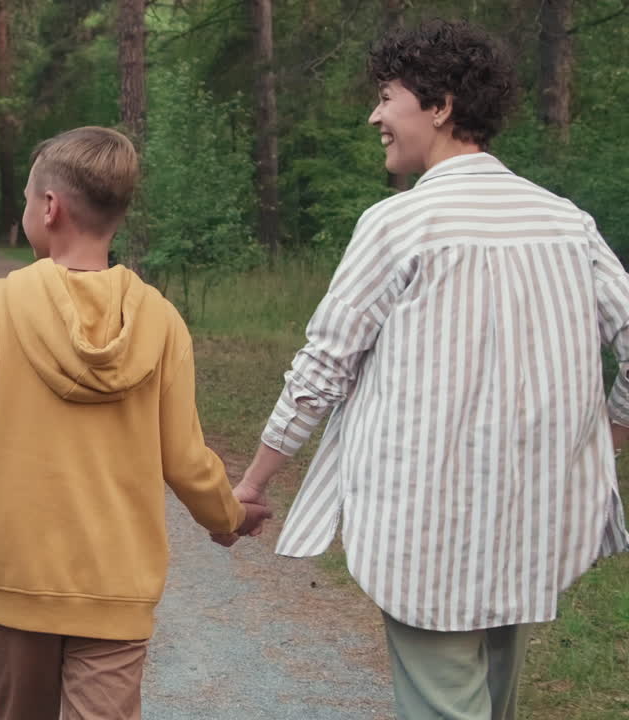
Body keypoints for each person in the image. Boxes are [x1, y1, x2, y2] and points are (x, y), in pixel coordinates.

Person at [229, 20, 629, 720]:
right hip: (532, 519)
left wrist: (256, 481)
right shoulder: (566, 222)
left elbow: (324, 363)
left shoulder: (401, 225)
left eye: (387, 97)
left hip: (430, 529)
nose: (375, 115)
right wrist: (604, 436)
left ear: (440, 105)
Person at [0, 126, 269, 720]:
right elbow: (185, 458)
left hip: (16, 583)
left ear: (50, 207)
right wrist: (225, 517)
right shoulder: (161, 321)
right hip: (117, 587)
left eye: (26, 197)